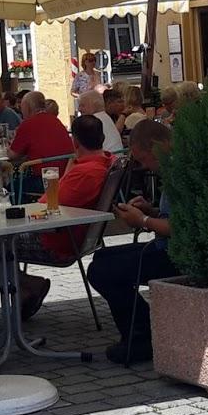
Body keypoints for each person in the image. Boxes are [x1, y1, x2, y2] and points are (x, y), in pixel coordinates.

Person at [0, 115, 113, 320]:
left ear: (75, 141)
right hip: (71, 233)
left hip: (56, 238)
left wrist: (5, 210)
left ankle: (29, 285)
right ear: (102, 137)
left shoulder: (85, 173)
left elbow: (42, 207)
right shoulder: (105, 162)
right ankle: (25, 288)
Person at [87, 119, 176, 364]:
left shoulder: (182, 170)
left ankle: (140, 337)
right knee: (102, 258)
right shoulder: (173, 168)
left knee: (102, 270)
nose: (143, 165)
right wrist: (152, 211)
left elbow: (180, 227)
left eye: (143, 158)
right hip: (166, 246)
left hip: (176, 253)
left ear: (157, 146)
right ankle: (141, 330)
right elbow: (173, 218)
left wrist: (144, 219)